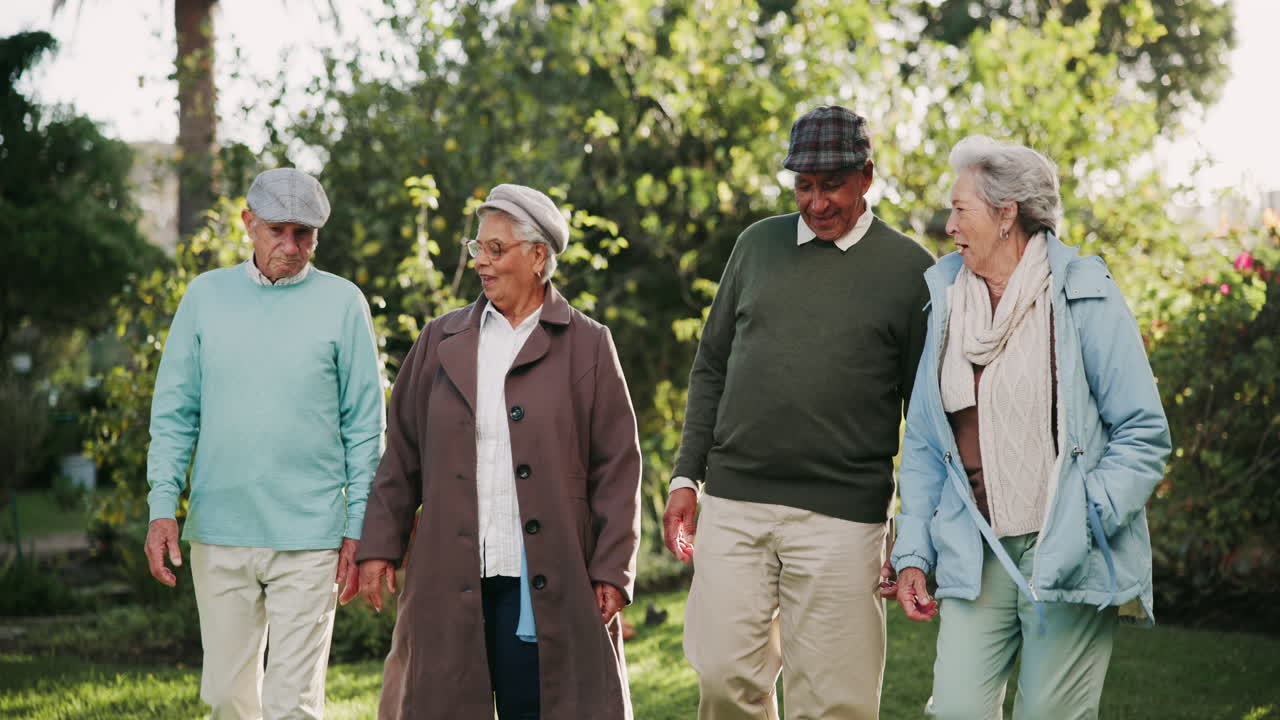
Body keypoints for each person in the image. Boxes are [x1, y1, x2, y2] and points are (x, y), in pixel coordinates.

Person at [662, 105, 936, 720]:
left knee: (836, 702)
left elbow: (925, 422)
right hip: (735, 501)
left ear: (867, 176)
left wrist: (915, 533)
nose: (816, 203)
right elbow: (711, 366)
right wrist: (686, 476)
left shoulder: (912, 272)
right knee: (724, 678)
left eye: (831, 184)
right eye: (803, 186)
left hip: (844, 516)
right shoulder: (756, 246)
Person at [891, 135, 1171, 719]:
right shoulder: (946, 301)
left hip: (1067, 550)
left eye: (960, 209)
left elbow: (1143, 434)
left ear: (1005, 213)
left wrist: (1083, 517)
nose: (948, 225)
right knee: (957, 711)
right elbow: (923, 443)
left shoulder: (1082, 294)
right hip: (976, 548)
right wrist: (912, 553)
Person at [353, 184, 642, 720]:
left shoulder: (588, 344)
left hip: (546, 580)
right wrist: (379, 546)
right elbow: (403, 456)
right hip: (450, 571)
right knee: (442, 702)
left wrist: (612, 568)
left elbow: (618, 467)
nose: (482, 262)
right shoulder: (441, 339)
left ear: (538, 257)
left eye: (496, 249)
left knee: (540, 707)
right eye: (477, 247)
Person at [144, 168, 386, 719]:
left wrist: (357, 529)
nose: (292, 247)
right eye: (278, 230)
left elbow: (365, 428)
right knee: (228, 698)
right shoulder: (205, 297)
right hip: (220, 530)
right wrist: (163, 509)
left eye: (305, 234)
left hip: (311, 536)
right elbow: (175, 413)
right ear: (248, 223)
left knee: (293, 703)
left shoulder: (344, 303)